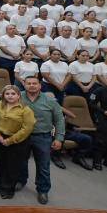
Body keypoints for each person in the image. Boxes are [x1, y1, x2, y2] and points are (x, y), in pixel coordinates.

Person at [18, 76, 65, 205]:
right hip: (22, 136)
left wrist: (59, 138)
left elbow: (59, 119)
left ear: (40, 85)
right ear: (24, 85)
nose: (32, 85)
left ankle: (43, 190)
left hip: (43, 137)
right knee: (20, 161)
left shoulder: (50, 100)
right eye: (29, 83)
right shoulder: (18, 97)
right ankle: (21, 181)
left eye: (34, 83)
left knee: (43, 165)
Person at [0, 85, 35, 199]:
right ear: (3, 95)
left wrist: (10, 140)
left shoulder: (25, 110)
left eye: (13, 94)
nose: (10, 96)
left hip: (17, 140)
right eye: (7, 94)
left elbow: (27, 128)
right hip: (0, 138)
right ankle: (0, 184)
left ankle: (8, 189)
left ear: (18, 95)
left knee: (12, 165)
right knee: (1, 162)